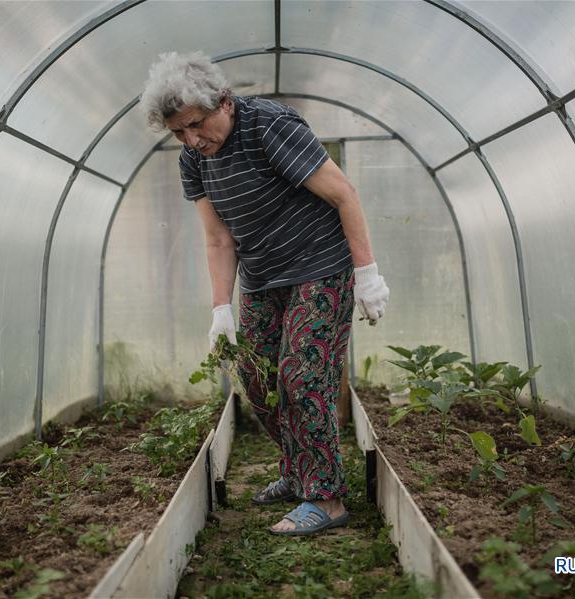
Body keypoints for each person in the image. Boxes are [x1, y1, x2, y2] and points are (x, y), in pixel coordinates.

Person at [140, 52, 389, 536]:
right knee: (257, 381)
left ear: (224, 103)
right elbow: (218, 238)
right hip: (261, 278)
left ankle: (327, 499)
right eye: (178, 133)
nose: (191, 140)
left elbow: (344, 194)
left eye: (196, 125)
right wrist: (220, 310)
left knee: (301, 377)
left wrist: (367, 273)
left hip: (320, 267)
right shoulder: (194, 159)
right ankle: (299, 471)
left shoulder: (268, 126)